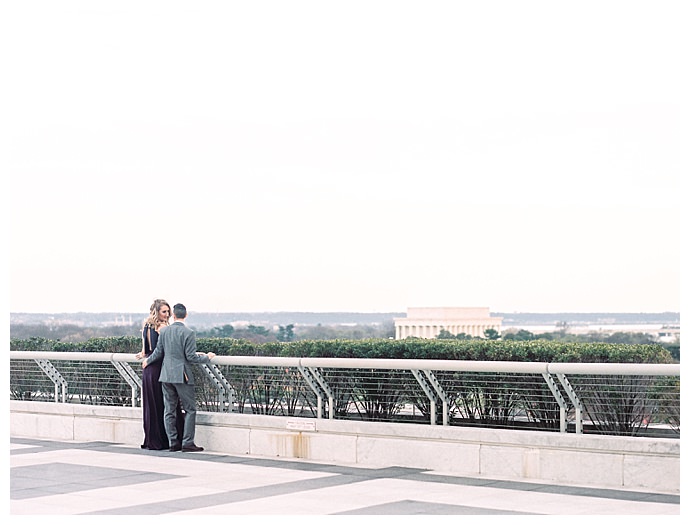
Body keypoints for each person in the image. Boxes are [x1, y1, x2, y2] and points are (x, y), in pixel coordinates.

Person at [142, 303, 216, 452]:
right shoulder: (189, 333)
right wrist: (207, 357)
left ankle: (173, 442)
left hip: (165, 375)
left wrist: (147, 361)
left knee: (168, 410)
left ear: (173, 315)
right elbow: (190, 357)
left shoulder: (165, 332)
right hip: (182, 376)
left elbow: (157, 352)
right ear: (186, 315)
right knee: (190, 409)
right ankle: (187, 442)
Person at [136, 299, 184, 450]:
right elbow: (165, 350)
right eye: (164, 311)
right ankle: (167, 440)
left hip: (148, 370)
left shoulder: (146, 326)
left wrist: (145, 357)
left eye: (168, 312)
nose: (167, 314)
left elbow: (145, 350)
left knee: (152, 405)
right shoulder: (162, 327)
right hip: (158, 368)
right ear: (156, 312)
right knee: (166, 405)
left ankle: (153, 439)